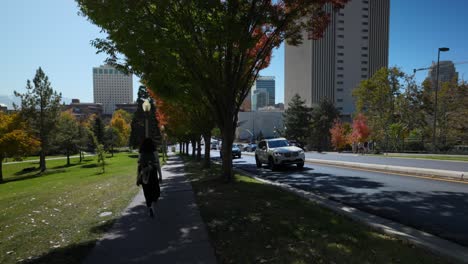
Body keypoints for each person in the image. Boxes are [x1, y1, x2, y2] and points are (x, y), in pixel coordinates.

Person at [137, 138, 162, 218]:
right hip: (153, 173)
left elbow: (139, 166)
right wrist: (160, 176)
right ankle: (153, 205)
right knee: (155, 191)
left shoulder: (141, 153)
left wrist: (137, 178)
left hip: (144, 173)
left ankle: (150, 206)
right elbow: (157, 164)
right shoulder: (154, 152)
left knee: (147, 192)